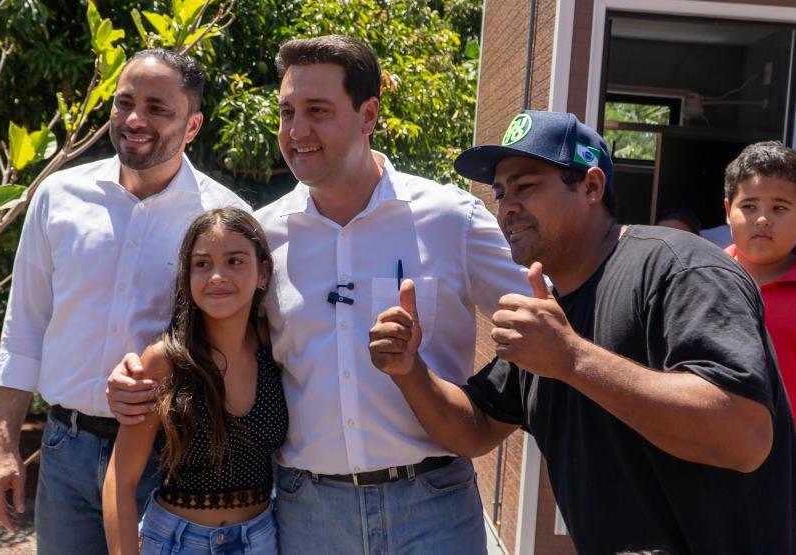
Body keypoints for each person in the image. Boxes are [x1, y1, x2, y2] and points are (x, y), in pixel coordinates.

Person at [107, 35, 528, 554]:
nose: (296, 131)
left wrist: (486, 419)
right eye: (286, 112)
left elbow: (543, 325)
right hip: (309, 517)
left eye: (317, 111)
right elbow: (208, 339)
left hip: (434, 506)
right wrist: (137, 374)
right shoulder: (261, 238)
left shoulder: (451, 218)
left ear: (368, 114)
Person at [369, 110, 796, 553]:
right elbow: (474, 428)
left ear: (592, 187)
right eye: (500, 193)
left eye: (526, 186)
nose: (508, 206)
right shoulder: (552, 315)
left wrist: (572, 359)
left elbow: (744, 437)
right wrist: (409, 370)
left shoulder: (680, 268)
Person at [0, 49, 249, 554]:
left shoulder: (225, 218)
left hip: (172, 455)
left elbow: (237, 346)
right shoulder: (58, 196)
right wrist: (4, 447)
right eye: (124, 102)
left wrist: (167, 382)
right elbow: (25, 325)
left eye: (156, 108)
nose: (134, 119)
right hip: (65, 449)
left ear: (192, 126)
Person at [103, 208, 286, 555]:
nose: (217, 276)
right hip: (175, 542)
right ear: (187, 275)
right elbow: (120, 481)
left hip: (261, 540)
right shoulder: (164, 361)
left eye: (234, 261)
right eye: (202, 264)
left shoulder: (273, 344)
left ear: (263, 273)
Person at [724, 141, 796, 423]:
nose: (763, 219)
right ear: (728, 210)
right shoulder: (698, 278)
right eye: (750, 206)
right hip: (708, 452)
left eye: (779, 207)